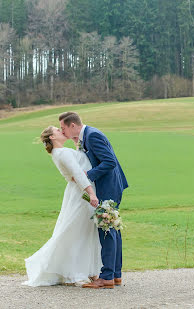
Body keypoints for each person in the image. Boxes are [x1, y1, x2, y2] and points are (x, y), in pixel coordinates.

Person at [23, 126, 102, 287]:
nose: (61, 131)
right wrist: (91, 194)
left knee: (83, 230)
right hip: (82, 193)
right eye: (57, 130)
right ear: (52, 137)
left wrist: (76, 142)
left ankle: (88, 269)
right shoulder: (62, 153)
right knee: (78, 231)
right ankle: (77, 271)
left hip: (78, 191)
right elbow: (77, 173)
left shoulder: (60, 152)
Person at [59, 112, 128, 289]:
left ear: (72, 125)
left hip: (109, 187)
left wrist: (88, 175)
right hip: (108, 186)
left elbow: (109, 162)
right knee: (112, 228)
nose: (62, 131)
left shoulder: (93, 135)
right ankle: (115, 275)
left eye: (63, 127)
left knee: (106, 228)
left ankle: (106, 278)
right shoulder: (84, 137)